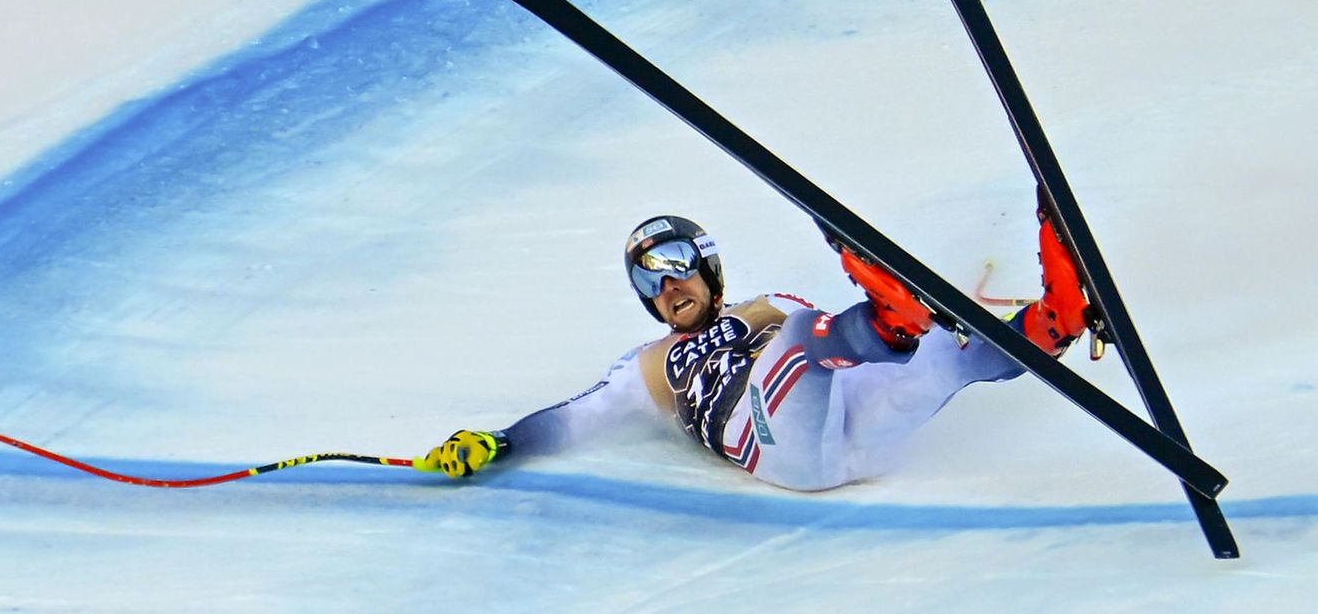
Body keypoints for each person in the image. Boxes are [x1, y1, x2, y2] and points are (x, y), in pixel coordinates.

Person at [414, 212, 1090, 490]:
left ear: (707, 267)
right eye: (649, 279)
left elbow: (857, 362)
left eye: (676, 264)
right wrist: (500, 442)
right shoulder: (645, 368)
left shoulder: (772, 304)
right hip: (776, 445)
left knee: (945, 355)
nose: (667, 286)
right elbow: (570, 419)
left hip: (855, 436)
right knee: (806, 340)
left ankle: (1054, 319)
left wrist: (938, 333)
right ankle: (896, 314)